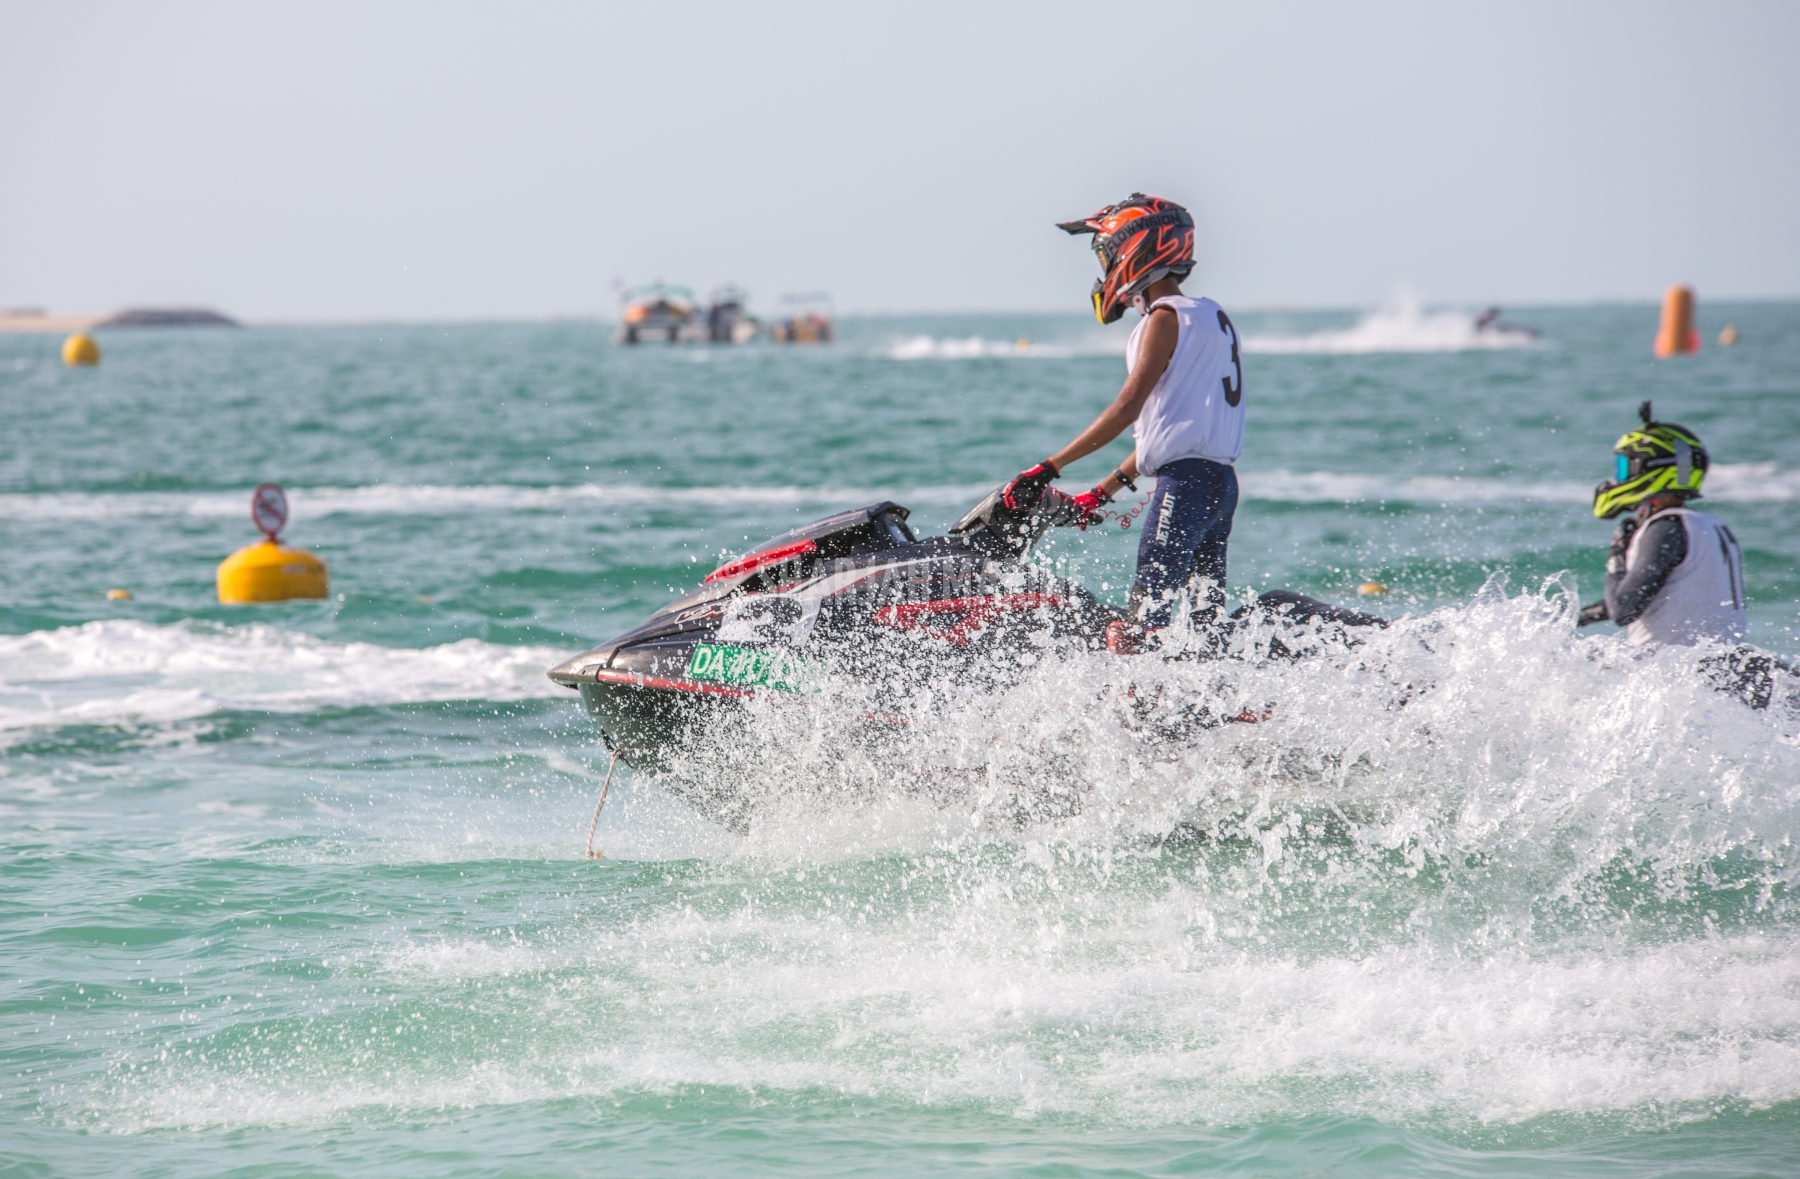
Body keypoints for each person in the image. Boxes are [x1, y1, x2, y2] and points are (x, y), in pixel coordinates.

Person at [1000, 194, 1246, 651]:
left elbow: (1127, 409)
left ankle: (1134, 716)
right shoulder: (1212, 315)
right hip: (1220, 485)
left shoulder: (1164, 318)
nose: (1104, 268)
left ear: (1135, 252)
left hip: (1185, 487)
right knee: (1204, 627)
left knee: (1141, 625)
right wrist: (1104, 490)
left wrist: (1048, 468)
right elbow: (1173, 429)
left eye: (1106, 255)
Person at [1578, 402, 1746, 647]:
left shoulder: (1666, 528)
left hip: (1675, 669)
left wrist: (1617, 553)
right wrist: (1579, 617)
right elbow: (1663, 595)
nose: (1618, 478)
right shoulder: (1710, 525)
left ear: (1646, 469)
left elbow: (1623, 610)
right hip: (1722, 662)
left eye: (1624, 467)